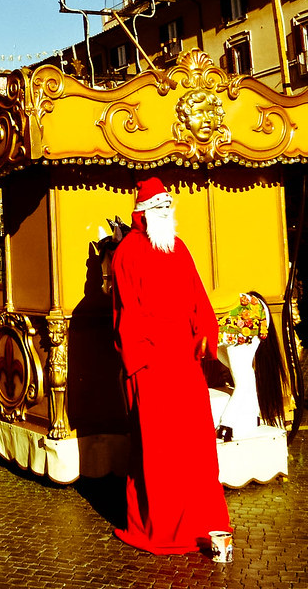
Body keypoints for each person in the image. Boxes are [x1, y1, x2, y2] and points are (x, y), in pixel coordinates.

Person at [110, 177, 231, 555]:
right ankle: (161, 528)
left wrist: (206, 333)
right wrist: (142, 364)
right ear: (143, 214)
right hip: (152, 367)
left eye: (169, 207)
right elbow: (127, 313)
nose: (166, 214)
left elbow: (198, 296)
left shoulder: (179, 248)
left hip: (183, 363)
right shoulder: (127, 253)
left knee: (195, 447)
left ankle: (200, 522)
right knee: (159, 452)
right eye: (158, 208)